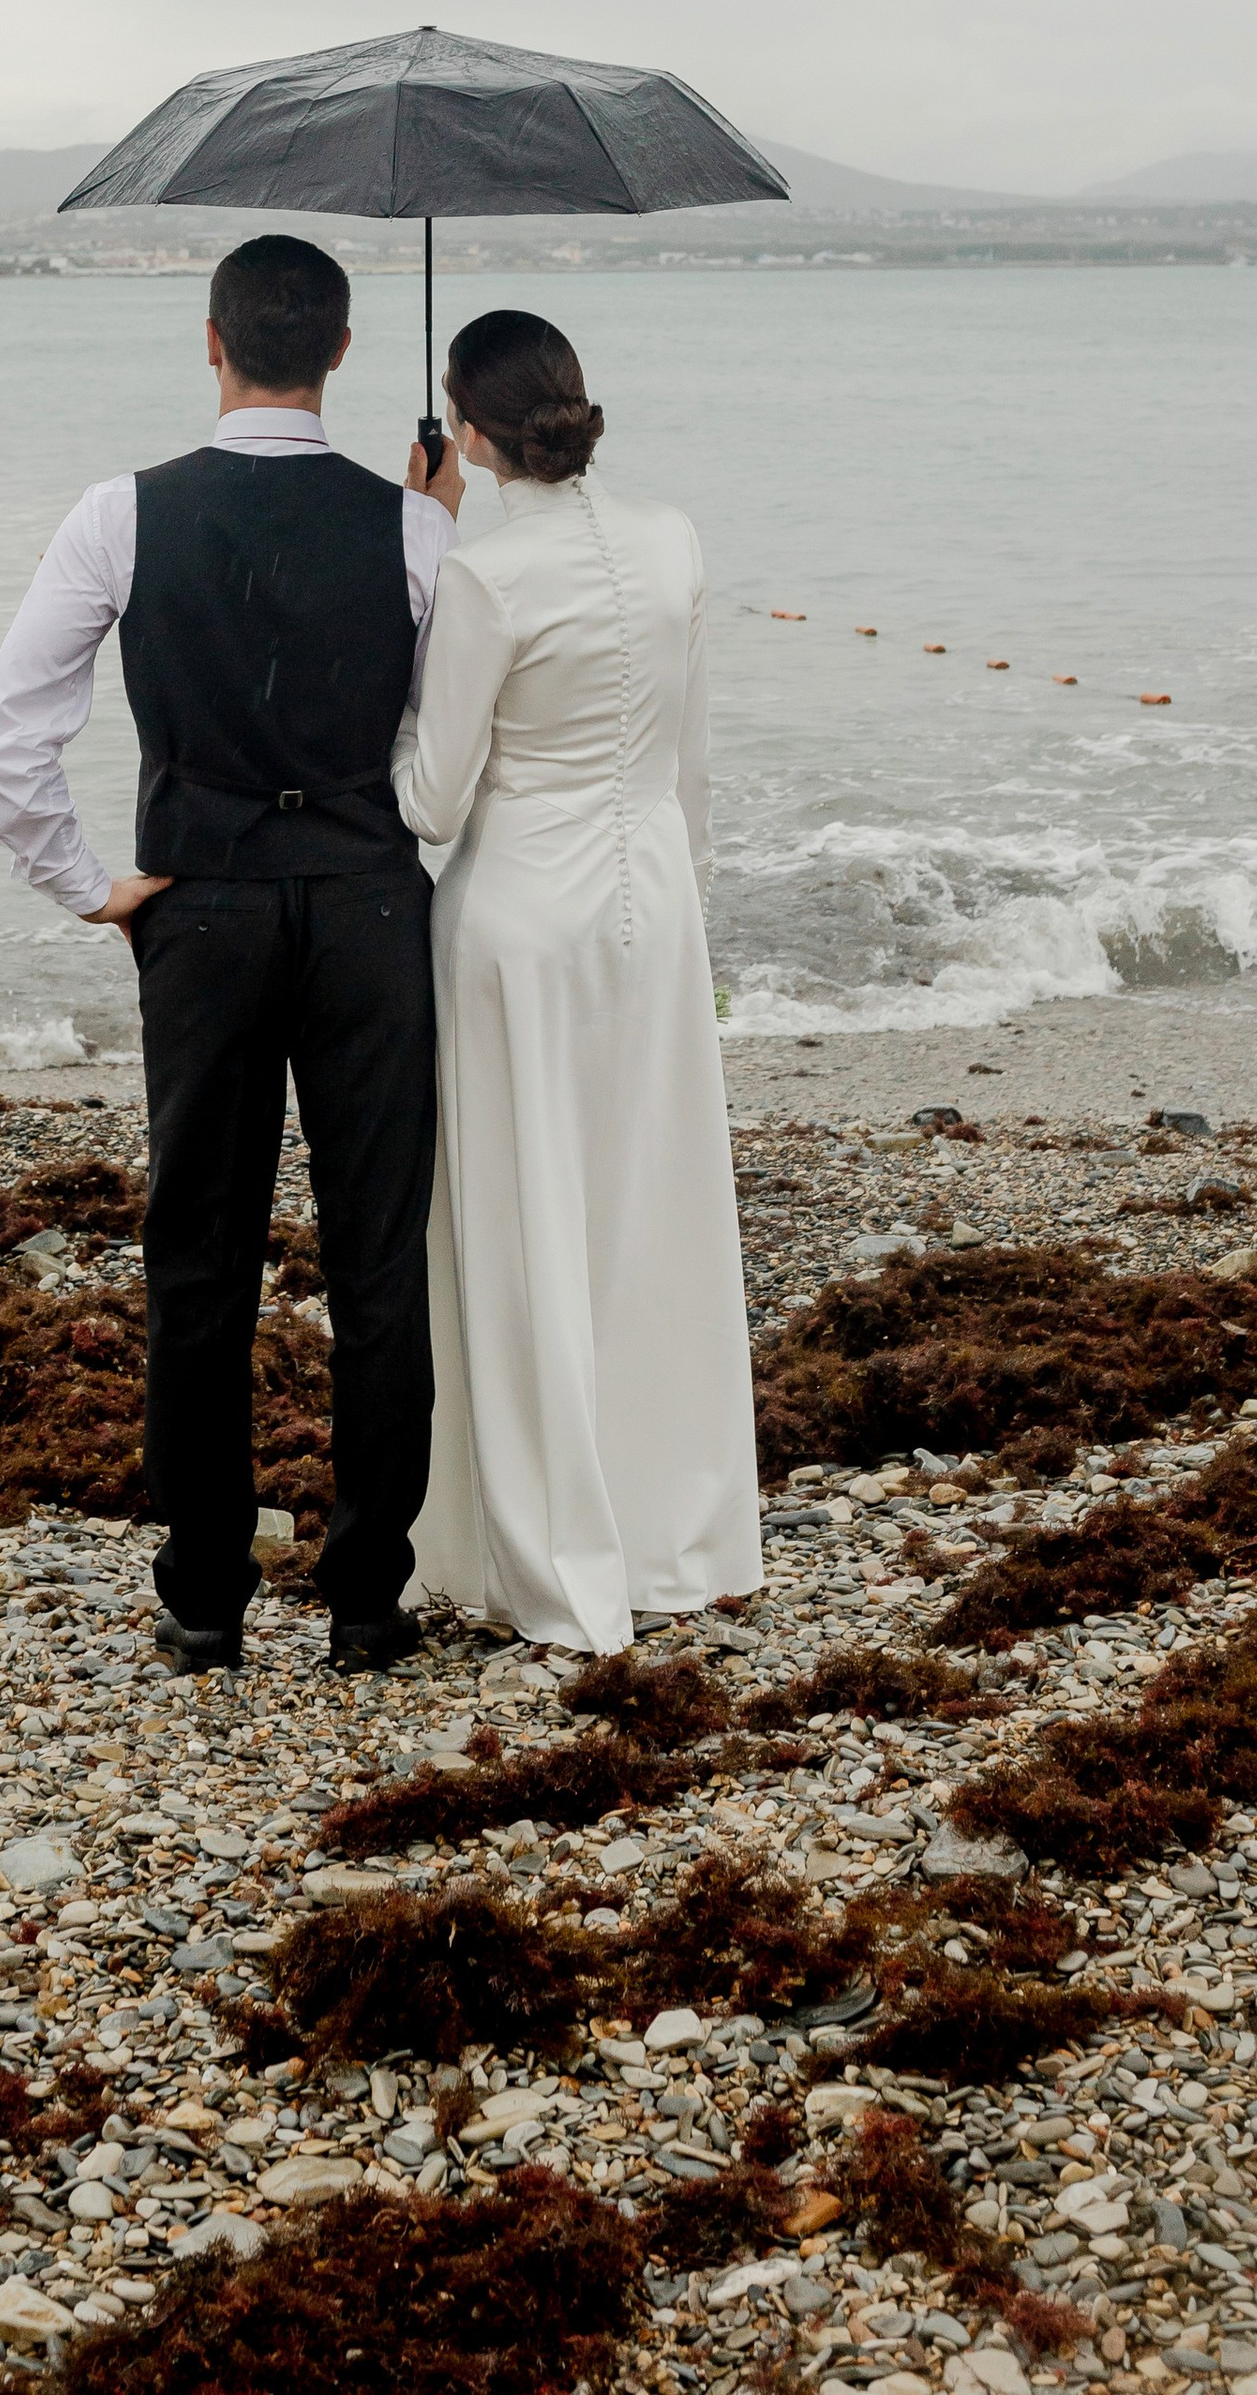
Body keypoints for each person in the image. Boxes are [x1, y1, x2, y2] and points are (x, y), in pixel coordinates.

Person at [0, 234, 461, 1677]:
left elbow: (7, 740)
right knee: (379, 1255)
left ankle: (202, 1596)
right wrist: (431, 524)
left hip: (203, 909)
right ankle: (368, 1596)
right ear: (346, 352)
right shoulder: (414, 528)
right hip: (371, 903)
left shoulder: (122, 513)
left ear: (212, 341)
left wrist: (89, 887)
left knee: (200, 1254)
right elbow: (449, 750)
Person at [393, 307, 761, 1655]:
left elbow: (432, 801)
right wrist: (685, 913)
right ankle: (684, 1532)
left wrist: (412, 596)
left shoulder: (486, 576)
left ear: (470, 429)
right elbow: (693, 768)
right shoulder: (674, 542)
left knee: (523, 1220)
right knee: (648, 1215)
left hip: (519, 926)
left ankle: (549, 1553)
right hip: (654, 902)